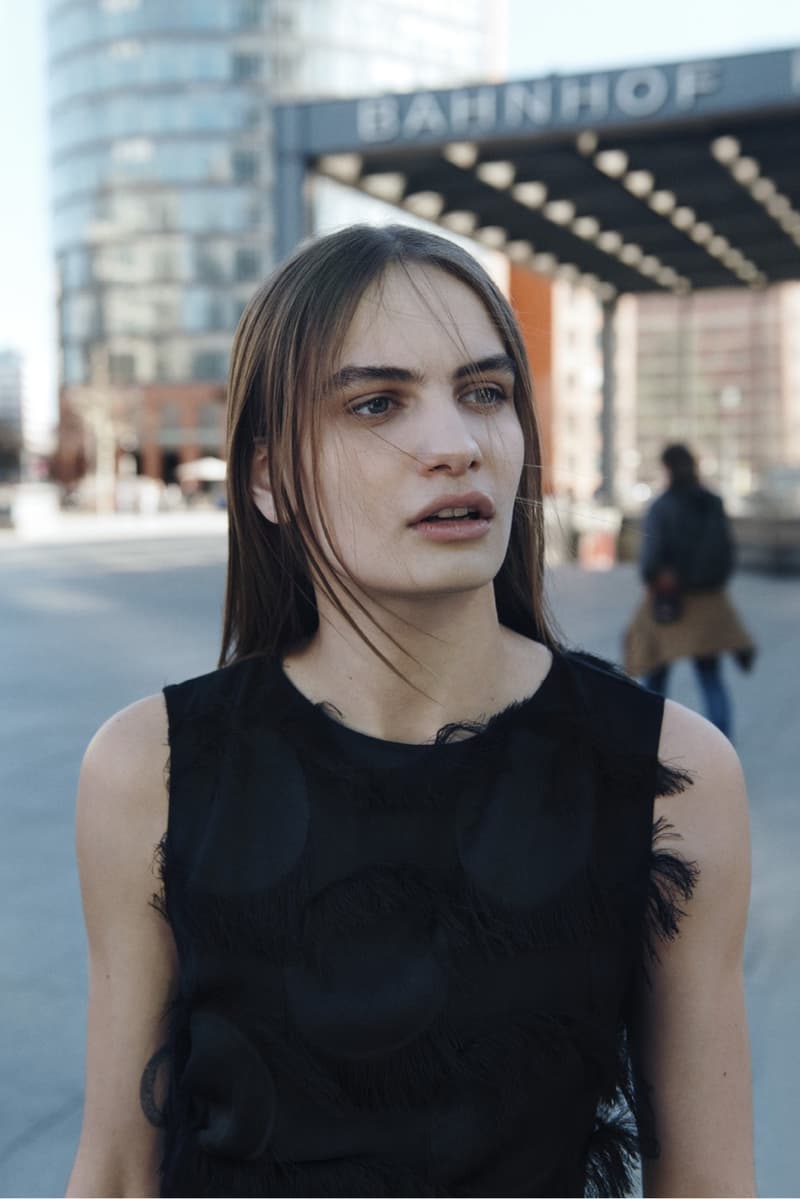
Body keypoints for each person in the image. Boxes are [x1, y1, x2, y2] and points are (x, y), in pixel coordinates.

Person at [67, 226, 754, 1198]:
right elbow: (117, 1167)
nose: (456, 444)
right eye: (377, 402)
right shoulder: (152, 768)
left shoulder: (666, 776)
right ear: (266, 477)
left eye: (484, 392)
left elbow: (709, 1180)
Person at [624, 443, 756, 741]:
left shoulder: (662, 506)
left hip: (670, 602)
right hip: (708, 603)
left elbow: (651, 557)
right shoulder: (713, 502)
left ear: (667, 468)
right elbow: (726, 552)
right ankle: (724, 743)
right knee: (710, 678)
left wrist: (655, 576)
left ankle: (648, 739)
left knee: (655, 674)